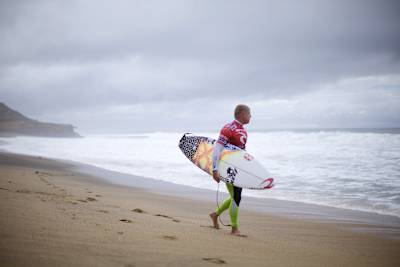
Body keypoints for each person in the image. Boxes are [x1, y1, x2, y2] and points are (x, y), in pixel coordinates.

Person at [209, 104, 251, 237]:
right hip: (228, 168)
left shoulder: (242, 130)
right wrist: (215, 169)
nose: (251, 116)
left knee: (235, 196)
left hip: (238, 167)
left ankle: (215, 215)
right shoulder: (228, 129)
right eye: (249, 114)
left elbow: (239, 151)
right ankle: (234, 228)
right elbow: (217, 150)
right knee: (236, 197)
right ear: (242, 114)